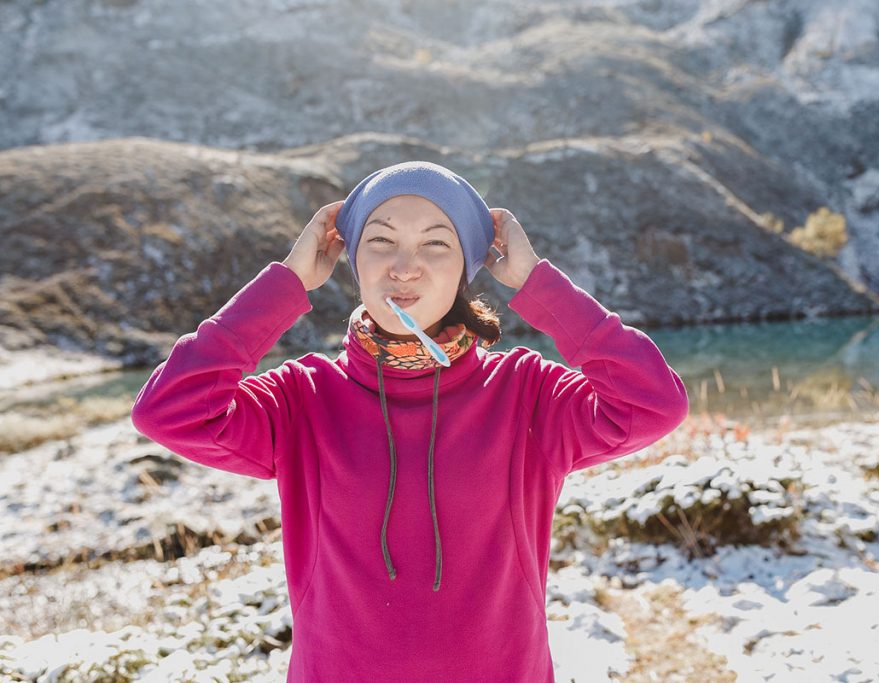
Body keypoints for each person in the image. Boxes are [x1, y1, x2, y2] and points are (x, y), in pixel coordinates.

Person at [131, 160, 689, 682]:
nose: (404, 266)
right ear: (351, 259)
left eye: (436, 243)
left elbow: (652, 404)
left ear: (469, 265)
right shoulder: (302, 399)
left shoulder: (526, 395)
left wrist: (539, 284)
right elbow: (169, 412)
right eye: (380, 240)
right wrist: (284, 285)